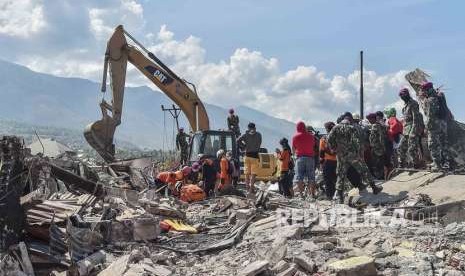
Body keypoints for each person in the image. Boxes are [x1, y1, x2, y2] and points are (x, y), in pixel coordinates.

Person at [328, 113, 382, 203]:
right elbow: (356, 142)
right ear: (349, 120)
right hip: (353, 155)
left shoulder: (335, 128)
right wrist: (358, 152)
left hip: (341, 156)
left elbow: (329, 139)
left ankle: (340, 197)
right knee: (364, 170)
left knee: (340, 175)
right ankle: (374, 188)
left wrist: (334, 148)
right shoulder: (352, 128)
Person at [421, 82, 451, 171]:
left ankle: (437, 165)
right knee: (443, 144)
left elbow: (430, 116)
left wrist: (426, 128)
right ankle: (446, 163)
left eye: (424, 91)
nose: (423, 92)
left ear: (427, 90)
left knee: (433, 145)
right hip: (443, 124)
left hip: (434, 126)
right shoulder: (439, 96)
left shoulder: (430, 100)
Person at [398, 88, 423, 168]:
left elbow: (416, 118)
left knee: (412, 149)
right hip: (406, 131)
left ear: (407, 94)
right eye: (401, 95)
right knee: (401, 147)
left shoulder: (413, 103)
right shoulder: (405, 106)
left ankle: (417, 164)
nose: (402, 96)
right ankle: (402, 164)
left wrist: (414, 132)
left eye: (404, 94)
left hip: (413, 129)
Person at [292, 121, 316, 198]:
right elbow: (313, 146)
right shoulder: (311, 137)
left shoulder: (295, 137)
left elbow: (293, 149)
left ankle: (301, 195)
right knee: (311, 177)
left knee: (299, 177)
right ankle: (311, 194)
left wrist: (294, 157)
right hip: (310, 158)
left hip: (300, 158)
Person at [237, 122, 262, 195]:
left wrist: (244, 146)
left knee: (247, 173)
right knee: (253, 174)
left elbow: (238, 140)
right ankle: (251, 189)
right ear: (255, 128)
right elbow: (259, 144)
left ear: (248, 128)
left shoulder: (246, 134)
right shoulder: (259, 135)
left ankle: (247, 188)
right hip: (255, 156)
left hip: (247, 155)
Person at [319, 122, 337, 199]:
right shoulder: (338, 137)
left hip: (328, 161)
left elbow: (321, 151)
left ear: (327, 129)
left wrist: (321, 162)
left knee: (327, 179)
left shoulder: (324, 138)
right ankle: (337, 194)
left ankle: (329, 195)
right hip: (337, 161)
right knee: (335, 178)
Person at [367, 113, 386, 180]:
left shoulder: (376, 125)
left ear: (373, 118)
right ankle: (380, 176)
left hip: (378, 148)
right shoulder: (375, 125)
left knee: (379, 163)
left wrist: (382, 147)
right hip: (375, 147)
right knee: (377, 163)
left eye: (370, 119)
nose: (369, 121)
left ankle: (381, 177)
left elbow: (381, 136)